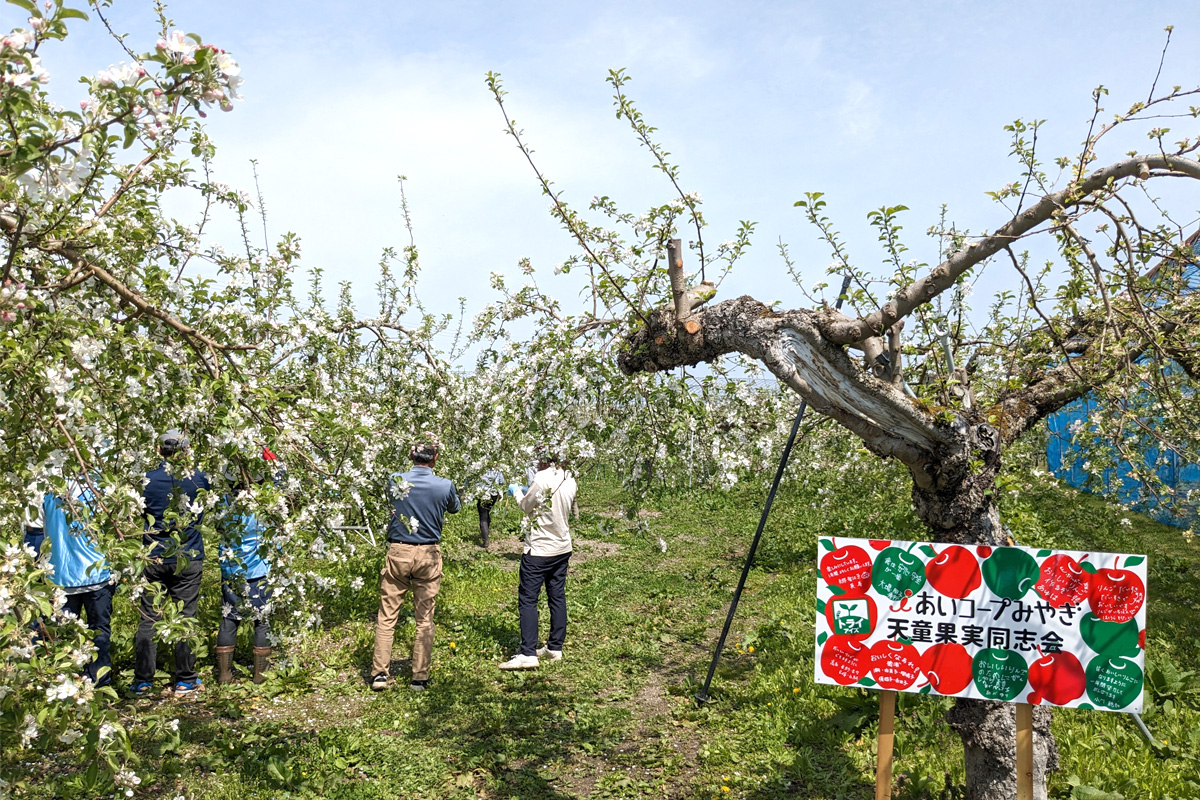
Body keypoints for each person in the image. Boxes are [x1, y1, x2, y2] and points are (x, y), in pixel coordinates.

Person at [370, 432, 461, 692]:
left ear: (411, 455)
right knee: (425, 619)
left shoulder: (394, 480)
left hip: (398, 550)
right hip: (429, 553)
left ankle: (379, 674)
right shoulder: (444, 485)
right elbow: (454, 508)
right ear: (435, 459)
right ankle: (419, 677)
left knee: (387, 616)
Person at [133, 429, 211, 697]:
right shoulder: (199, 479)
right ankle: (185, 680)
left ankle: (143, 681)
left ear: (158, 450)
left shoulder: (145, 480)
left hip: (153, 556)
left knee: (148, 618)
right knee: (184, 616)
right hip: (187, 557)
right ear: (186, 451)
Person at [499, 445, 578, 671]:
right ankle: (555, 646)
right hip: (562, 547)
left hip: (539, 550)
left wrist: (517, 491)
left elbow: (526, 506)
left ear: (544, 459)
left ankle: (528, 653)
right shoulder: (569, 478)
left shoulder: (542, 477)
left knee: (528, 599)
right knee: (557, 595)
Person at [214, 447, 279, 685]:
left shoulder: (223, 500)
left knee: (229, 618)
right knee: (262, 619)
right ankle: (261, 675)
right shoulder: (265, 499)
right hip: (260, 568)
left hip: (231, 568)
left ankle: (224, 675)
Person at [44, 477, 115, 687]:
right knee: (99, 630)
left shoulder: (47, 489)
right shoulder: (98, 486)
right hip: (95, 573)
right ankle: (99, 680)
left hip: (61, 575)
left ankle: (68, 680)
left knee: (64, 634)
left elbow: (40, 528)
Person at [476, 468, 504, 548]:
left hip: (482, 493)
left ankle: (485, 541)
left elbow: (470, 479)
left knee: (483, 516)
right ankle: (486, 534)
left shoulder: (480, 465)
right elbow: (501, 481)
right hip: (493, 494)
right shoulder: (496, 466)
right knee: (487, 512)